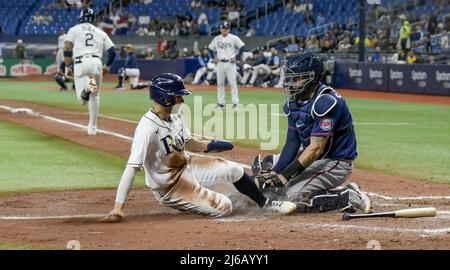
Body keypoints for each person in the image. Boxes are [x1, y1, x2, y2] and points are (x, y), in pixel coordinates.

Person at [101, 73, 297, 222]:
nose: (182, 99)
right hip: (170, 186)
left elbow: (187, 142)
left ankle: (266, 203)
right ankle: (197, 201)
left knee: (235, 170)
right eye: (178, 96)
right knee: (225, 207)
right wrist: (118, 207)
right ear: (165, 98)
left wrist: (210, 146)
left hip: (188, 165)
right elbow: (131, 167)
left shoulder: (174, 116)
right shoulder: (147, 128)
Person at [251, 53, 371, 214]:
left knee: (292, 198)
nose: (291, 84)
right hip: (315, 158)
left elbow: (316, 148)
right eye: (289, 79)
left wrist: (284, 177)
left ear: (312, 78)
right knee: (267, 164)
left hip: (335, 162)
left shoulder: (326, 102)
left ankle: (347, 196)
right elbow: (292, 143)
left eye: (296, 79)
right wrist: (275, 173)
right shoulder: (294, 102)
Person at [64, 8, 116, 136]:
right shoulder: (100, 32)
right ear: (93, 19)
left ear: (80, 17)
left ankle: (87, 87)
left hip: (81, 64)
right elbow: (112, 51)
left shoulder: (74, 29)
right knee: (95, 96)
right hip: (96, 64)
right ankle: (92, 127)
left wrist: (67, 67)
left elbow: (67, 47)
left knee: (82, 101)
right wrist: (107, 66)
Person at [208, 20, 245, 110]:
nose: (225, 29)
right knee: (220, 83)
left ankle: (235, 103)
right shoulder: (216, 39)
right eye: (223, 28)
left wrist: (237, 57)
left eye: (227, 28)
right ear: (220, 29)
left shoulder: (234, 38)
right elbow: (210, 48)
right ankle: (221, 104)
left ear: (229, 29)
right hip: (220, 62)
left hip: (230, 63)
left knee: (233, 83)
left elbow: (242, 46)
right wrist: (214, 57)